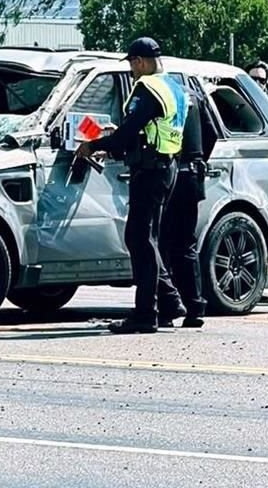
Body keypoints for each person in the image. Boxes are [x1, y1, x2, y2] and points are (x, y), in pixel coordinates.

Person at [75, 36, 187, 333]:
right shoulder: (174, 87)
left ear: (139, 61)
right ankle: (170, 302)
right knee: (148, 238)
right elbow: (146, 129)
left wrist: (93, 144)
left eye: (133, 65)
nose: (132, 70)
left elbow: (127, 136)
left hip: (150, 171)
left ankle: (144, 315)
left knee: (138, 239)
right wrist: (121, 135)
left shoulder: (147, 88)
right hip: (167, 166)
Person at [158, 83, 213, 327]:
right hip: (192, 176)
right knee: (186, 244)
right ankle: (195, 307)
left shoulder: (159, 94)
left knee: (163, 244)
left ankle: (168, 309)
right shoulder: (193, 96)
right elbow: (210, 132)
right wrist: (198, 157)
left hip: (170, 174)